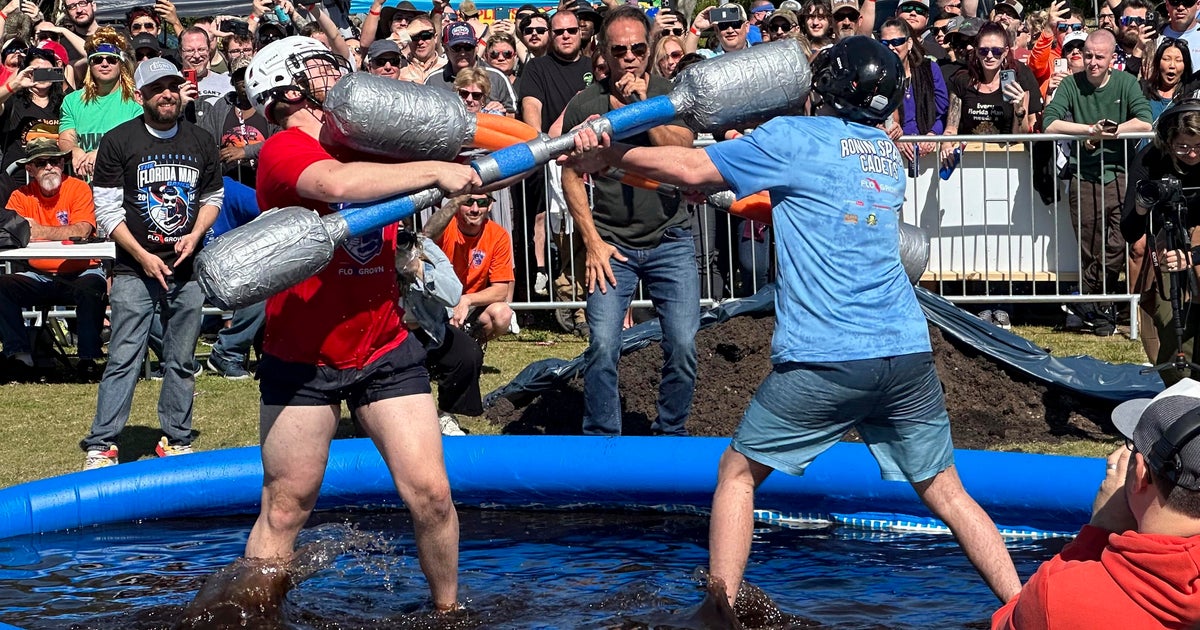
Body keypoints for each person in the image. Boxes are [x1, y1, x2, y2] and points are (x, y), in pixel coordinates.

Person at [562, 35, 1022, 607]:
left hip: (826, 353)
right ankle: (1022, 607)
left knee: (736, 474)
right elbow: (797, 196)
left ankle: (721, 610)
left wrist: (609, 157)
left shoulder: (792, 138)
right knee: (948, 493)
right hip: (906, 349)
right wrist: (724, 178)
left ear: (826, 87)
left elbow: (693, 168)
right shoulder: (885, 155)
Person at [241, 35, 478, 611]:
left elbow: (471, 167)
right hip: (303, 356)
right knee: (285, 507)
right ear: (285, 89)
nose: (338, 73)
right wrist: (436, 170)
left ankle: (448, 613)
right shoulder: (282, 149)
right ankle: (252, 617)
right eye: (319, 66)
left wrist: (568, 146)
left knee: (432, 496)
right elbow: (336, 185)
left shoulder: (372, 142)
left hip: (383, 345)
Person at [81, 57, 222, 469]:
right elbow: (107, 211)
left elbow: (212, 197)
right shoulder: (119, 140)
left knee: (181, 359)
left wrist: (196, 234)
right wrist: (142, 257)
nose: (167, 95)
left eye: (173, 87)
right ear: (140, 95)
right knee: (123, 356)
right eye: (158, 88)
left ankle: (177, 438)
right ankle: (103, 443)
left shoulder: (200, 139)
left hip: (186, 267)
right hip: (133, 268)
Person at [562, 6, 698, 436]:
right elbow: (569, 174)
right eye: (619, 50)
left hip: (670, 239)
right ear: (603, 51)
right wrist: (592, 242)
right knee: (603, 344)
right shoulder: (586, 104)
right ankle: (603, 440)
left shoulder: (669, 94)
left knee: (683, 343)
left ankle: (670, 433)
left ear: (649, 48)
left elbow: (683, 152)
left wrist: (643, 107)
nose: (629, 58)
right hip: (612, 245)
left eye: (638, 49)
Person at [992, 378, 1200, 628]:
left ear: (1141, 474)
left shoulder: (1058, 597)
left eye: (1131, 447)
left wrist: (1097, 533)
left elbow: (1007, 622)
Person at [1044, 28, 1152, 336]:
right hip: (1083, 174)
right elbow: (1049, 122)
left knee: (1118, 241)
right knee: (1089, 245)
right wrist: (1089, 131)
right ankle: (1100, 311)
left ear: (1112, 58)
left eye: (1099, 57)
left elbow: (1144, 120)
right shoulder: (1071, 84)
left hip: (1119, 173)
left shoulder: (1126, 82)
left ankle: (1089, 299)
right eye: (1088, 55)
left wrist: (1113, 131)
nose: (1092, 62)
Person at [0, 136, 104, 376]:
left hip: (81, 272)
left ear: (62, 163)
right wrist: (59, 232)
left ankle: (88, 359)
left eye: (55, 161)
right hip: (37, 275)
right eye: (41, 162)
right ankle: (20, 356)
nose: (49, 167)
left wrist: (39, 231)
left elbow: (82, 230)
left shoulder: (79, 188)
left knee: (93, 286)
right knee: (1, 287)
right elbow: (13, 234)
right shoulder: (20, 196)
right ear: (29, 169)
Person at [1121, 93, 1200, 385]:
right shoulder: (1150, 158)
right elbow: (1130, 230)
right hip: (1167, 239)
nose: (1192, 155)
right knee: (1167, 318)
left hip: (1197, 242)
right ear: (1168, 140)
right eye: (1183, 147)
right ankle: (1177, 385)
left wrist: (1193, 257)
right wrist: (1143, 206)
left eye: (1199, 147)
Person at [395, 229, 480, 437]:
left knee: (467, 353)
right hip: (387, 335)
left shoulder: (423, 246)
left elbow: (453, 294)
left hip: (428, 330)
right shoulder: (368, 251)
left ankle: (446, 413)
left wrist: (418, 268)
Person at [431, 192, 516, 347]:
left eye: (482, 203)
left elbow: (501, 290)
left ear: (490, 205)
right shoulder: (443, 228)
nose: (475, 209)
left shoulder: (498, 235)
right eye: (468, 202)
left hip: (473, 304)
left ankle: (474, 346)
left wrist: (466, 300)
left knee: (503, 314)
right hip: (440, 302)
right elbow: (426, 236)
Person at [58, 29, 143, 180]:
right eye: (97, 60)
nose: (104, 64)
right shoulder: (72, 101)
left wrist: (104, 153)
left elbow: (138, 142)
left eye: (111, 59)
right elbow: (66, 138)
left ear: (120, 64)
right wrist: (74, 150)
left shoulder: (135, 100)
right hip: (83, 187)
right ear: (90, 64)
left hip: (121, 185)